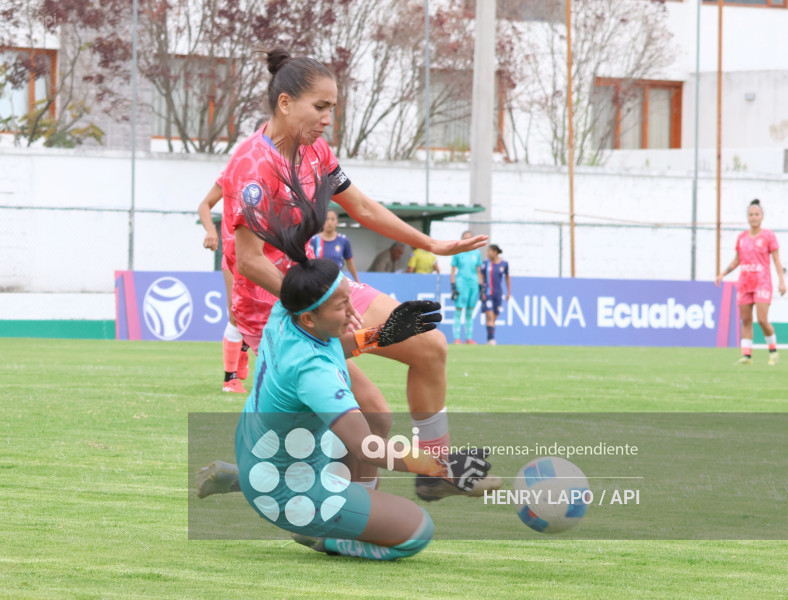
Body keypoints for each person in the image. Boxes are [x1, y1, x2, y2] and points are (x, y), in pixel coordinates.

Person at [196, 46, 500, 502]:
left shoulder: (314, 150)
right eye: (320, 107)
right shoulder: (253, 168)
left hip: (319, 286)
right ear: (285, 103)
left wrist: (430, 243)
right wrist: (323, 306)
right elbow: (251, 261)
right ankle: (345, 510)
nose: (327, 119)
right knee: (371, 415)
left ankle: (434, 472)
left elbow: (360, 205)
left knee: (430, 345)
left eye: (332, 108)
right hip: (278, 307)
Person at [233, 162, 490, 560]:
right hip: (286, 488)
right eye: (341, 305)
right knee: (417, 532)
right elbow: (368, 447)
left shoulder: (286, 314)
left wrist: (380, 336)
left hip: (267, 454)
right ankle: (323, 533)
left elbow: (335, 344)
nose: (353, 309)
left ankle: (297, 493)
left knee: (373, 416)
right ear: (309, 316)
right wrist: (444, 467)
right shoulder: (313, 371)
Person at [715, 199, 785, 365]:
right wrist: (722, 274)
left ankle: (773, 352)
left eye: (756, 214)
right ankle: (746, 356)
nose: (753, 217)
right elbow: (736, 260)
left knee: (762, 319)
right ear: (747, 217)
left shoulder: (768, 236)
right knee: (746, 320)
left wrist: (782, 281)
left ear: (762, 217)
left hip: (762, 282)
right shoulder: (742, 237)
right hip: (745, 283)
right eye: (750, 214)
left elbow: (776, 260)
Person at [197, 184, 250, 393]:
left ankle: (244, 347)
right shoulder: (231, 173)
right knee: (235, 313)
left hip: (265, 253)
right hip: (233, 253)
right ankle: (230, 380)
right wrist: (211, 231)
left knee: (265, 310)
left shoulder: (272, 170)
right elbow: (205, 205)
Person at [450, 231, 483, 345]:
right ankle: (457, 338)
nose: (467, 241)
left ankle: (469, 338)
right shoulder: (457, 252)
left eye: (469, 238)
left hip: (473, 284)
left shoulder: (477, 253)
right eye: (465, 239)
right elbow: (453, 271)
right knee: (459, 310)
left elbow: (478, 271)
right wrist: (453, 286)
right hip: (461, 283)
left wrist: (481, 286)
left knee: (470, 311)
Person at [309, 209, 360, 282]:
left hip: (337, 281)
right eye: (327, 219)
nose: (329, 222)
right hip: (318, 281)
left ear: (337, 222)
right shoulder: (314, 240)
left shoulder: (343, 240)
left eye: (333, 219)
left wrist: (357, 281)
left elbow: (350, 263)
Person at [480, 244, 511, 346]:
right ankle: (491, 339)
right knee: (489, 317)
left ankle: (490, 338)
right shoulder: (485, 264)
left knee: (493, 318)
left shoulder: (504, 264)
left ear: (495, 252)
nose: (488, 253)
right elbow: (481, 275)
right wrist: (482, 290)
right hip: (488, 293)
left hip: (498, 294)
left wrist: (509, 292)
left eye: (489, 251)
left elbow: (507, 277)